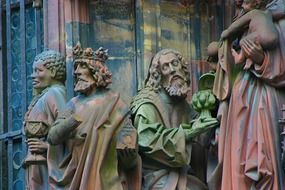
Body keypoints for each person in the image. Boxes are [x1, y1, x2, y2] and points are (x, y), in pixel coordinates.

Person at [213, 0, 285, 189]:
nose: (239, 3)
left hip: (267, 96)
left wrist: (262, 59)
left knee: (265, 160)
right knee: (240, 157)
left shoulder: (278, 21)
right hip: (241, 96)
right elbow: (231, 63)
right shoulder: (247, 20)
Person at [47, 45, 141, 190]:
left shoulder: (114, 102)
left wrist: (128, 147)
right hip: (77, 172)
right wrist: (72, 121)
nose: (77, 72)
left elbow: (127, 130)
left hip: (106, 174)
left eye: (82, 67)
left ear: (96, 71)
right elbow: (53, 137)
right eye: (75, 67)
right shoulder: (73, 104)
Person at [130, 49, 218, 190]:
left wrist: (213, 107)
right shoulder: (146, 103)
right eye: (165, 67)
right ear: (158, 75)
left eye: (175, 64)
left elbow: (202, 135)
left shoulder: (182, 103)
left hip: (183, 174)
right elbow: (146, 139)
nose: (172, 70)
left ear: (182, 68)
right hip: (156, 175)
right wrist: (187, 133)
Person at [23, 50, 66, 190]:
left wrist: (47, 147)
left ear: (52, 71)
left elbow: (69, 133)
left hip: (47, 168)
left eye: (38, 71)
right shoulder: (44, 95)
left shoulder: (55, 94)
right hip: (37, 165)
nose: (33, 76)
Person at [221, 0, 278, 68]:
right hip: (274, 38)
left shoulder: (253, 13)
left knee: (244, 41)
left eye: (246, 3)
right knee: (253, 39)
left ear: (256, 4)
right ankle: (250, 60)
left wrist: (227, 32)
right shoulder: (268, 13)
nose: (242, 6)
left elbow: (236, 25)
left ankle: (240, 58)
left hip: (263, 37)